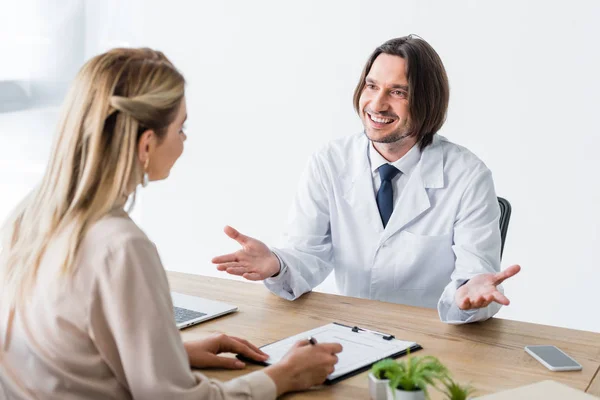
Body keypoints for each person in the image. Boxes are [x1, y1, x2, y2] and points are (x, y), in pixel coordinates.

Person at [0, 48, 342, 400]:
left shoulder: (26, 217)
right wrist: (284, 376)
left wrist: (170, 353)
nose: (184, 140)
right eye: (181, 128)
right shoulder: (121, 246)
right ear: (147, 143)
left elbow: (65, 351)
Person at [213, 35, 521, 324]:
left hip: (432, 342)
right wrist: (276, 264)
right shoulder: (329, 162)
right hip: (351, 332)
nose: (377, 104)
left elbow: (477, 278)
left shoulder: (468, 176)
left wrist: (470, 293)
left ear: (428, 101)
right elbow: (306, 254)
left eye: (398, 92)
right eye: (371, 86)